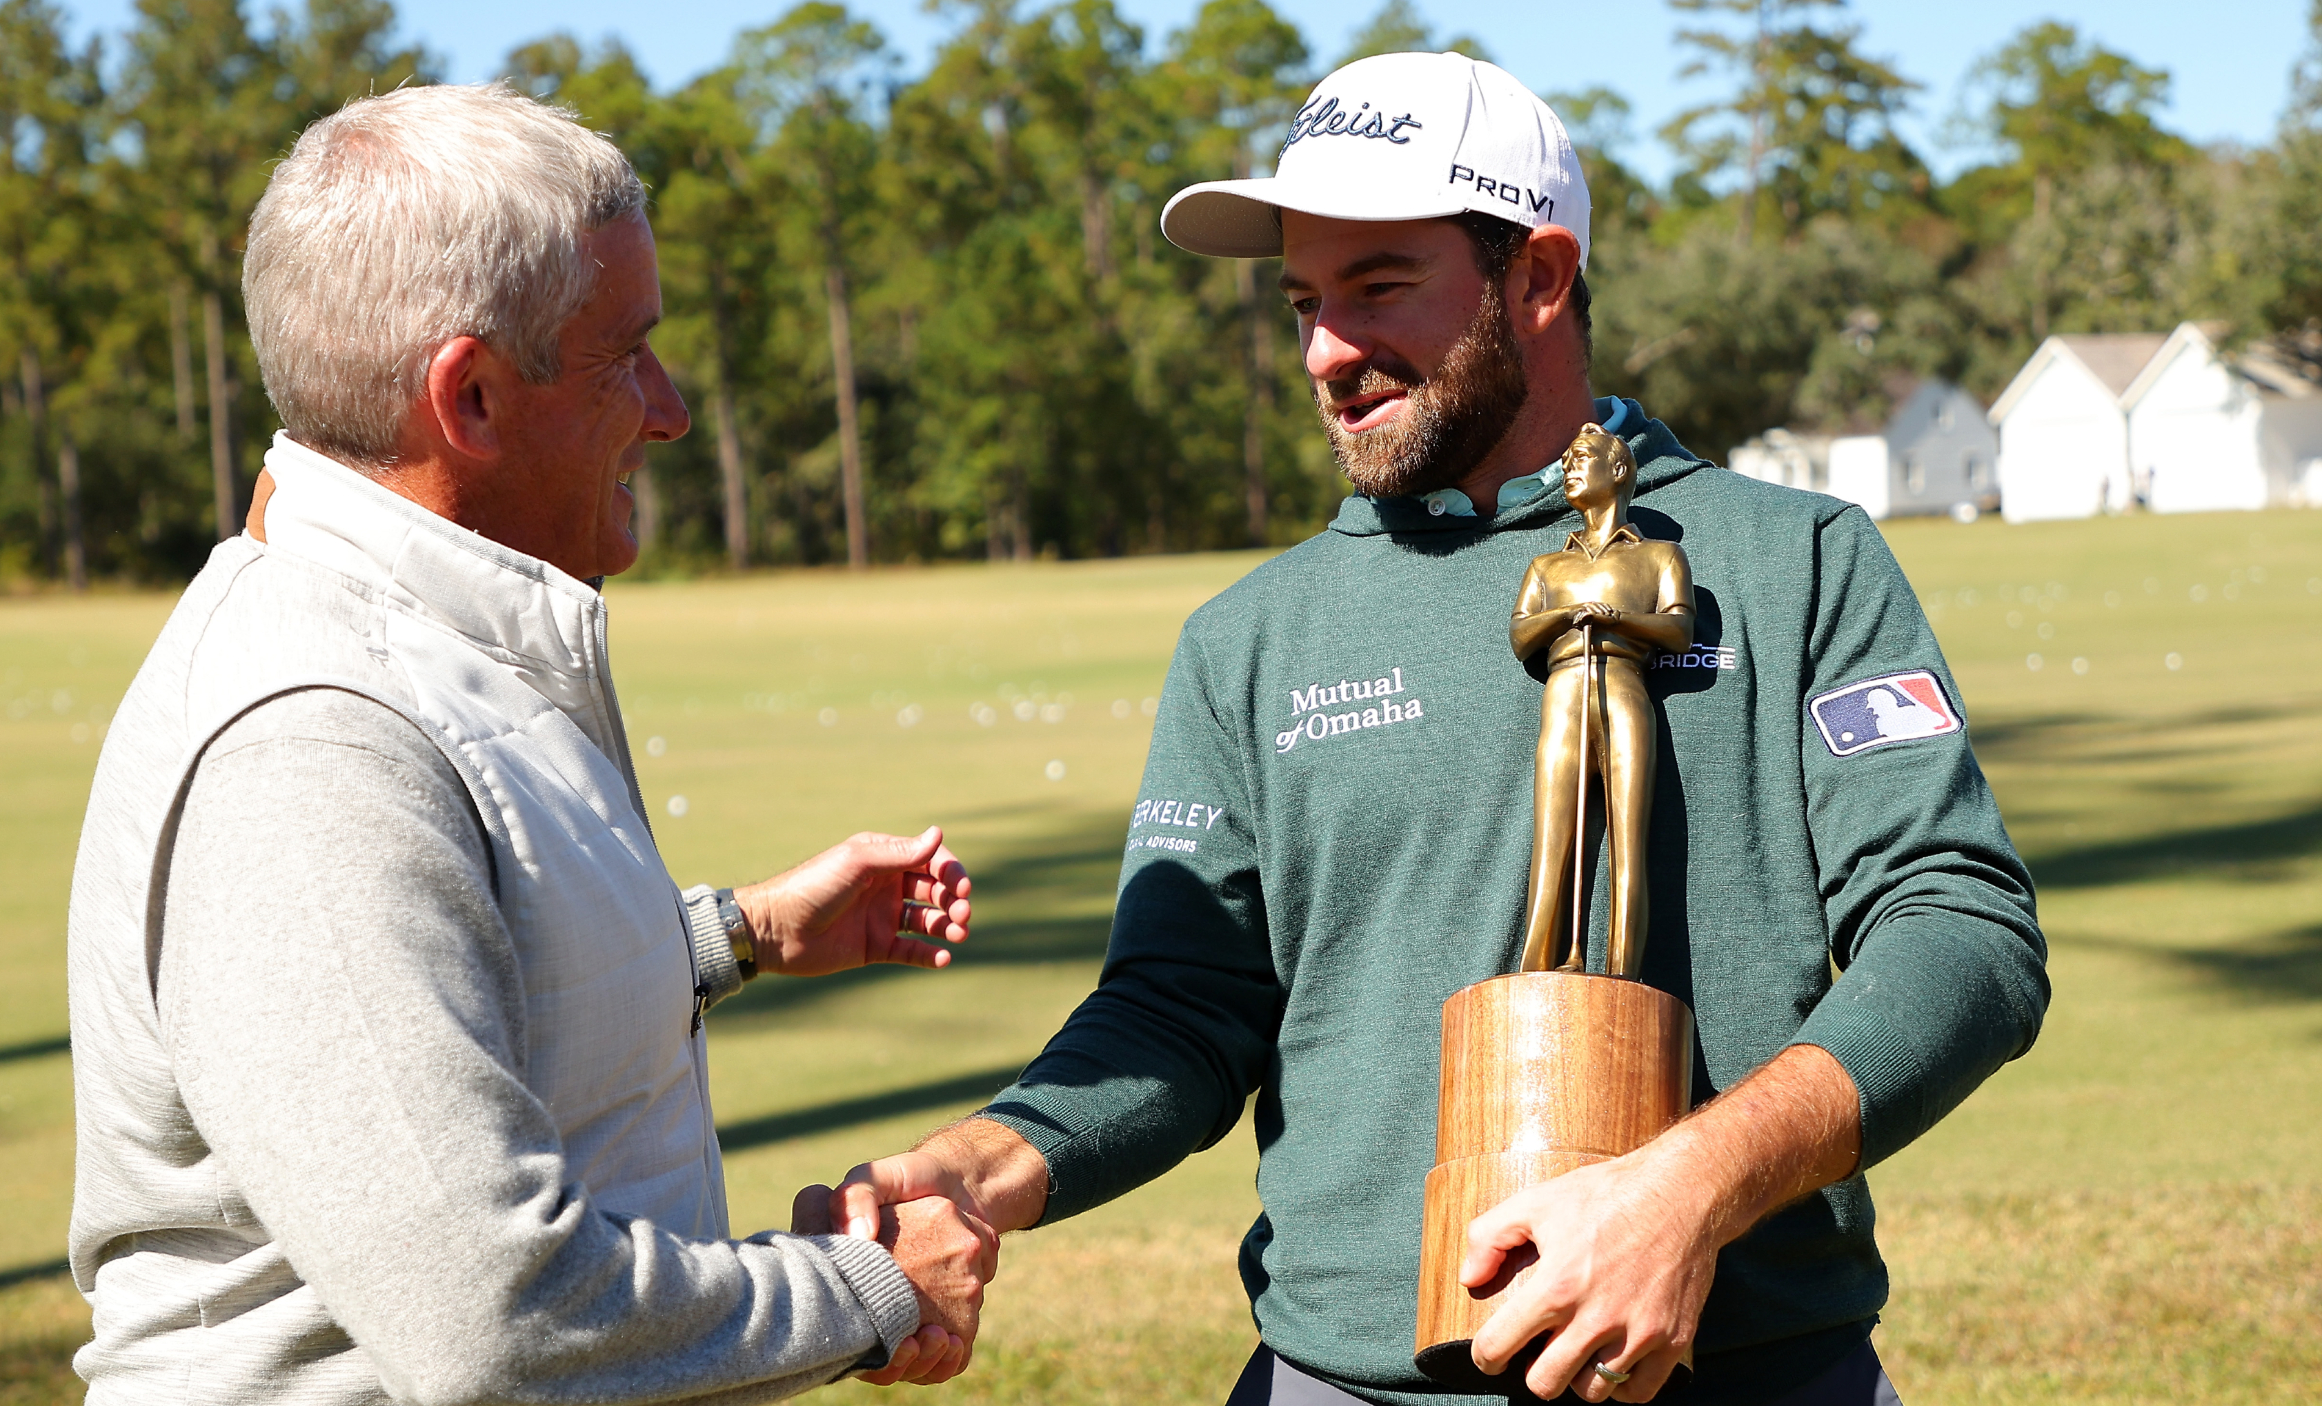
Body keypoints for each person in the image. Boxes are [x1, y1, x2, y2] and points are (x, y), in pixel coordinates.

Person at [805, 51, 2047, 1406]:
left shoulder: (1802, 560)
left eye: (1380, 285)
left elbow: (1960, 930)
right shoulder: (1250, 640)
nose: (1327, 349)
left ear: (1542, 277)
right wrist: (975, 1170)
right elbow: (1182, 1009)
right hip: (1344, 1380)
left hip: (1756, 1370)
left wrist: (1693, 1184)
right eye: (1303, 299)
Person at [65, 83, 993, 1405]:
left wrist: (738, 933)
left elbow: (434, 1007)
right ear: (475, 396)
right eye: (629, 353)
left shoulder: (429, 647)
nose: (669, 410)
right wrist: (874, 1288)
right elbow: (498, 1318)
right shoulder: (314, 743)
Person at [1508, 424, 1693, 977]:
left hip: (1624, 686)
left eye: (1581, 456)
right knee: (1552, 840)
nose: (1568, 465)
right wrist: (1567, 614)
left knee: (1627, 840)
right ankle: (1539, 970)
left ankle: (1621, 976)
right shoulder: (1547, 566)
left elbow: (1678, 629)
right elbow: (1522, 636)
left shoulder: (1661, 556)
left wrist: (1619, 620)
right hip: (1564, 687)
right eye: (1566, 458)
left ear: (1618, 471)